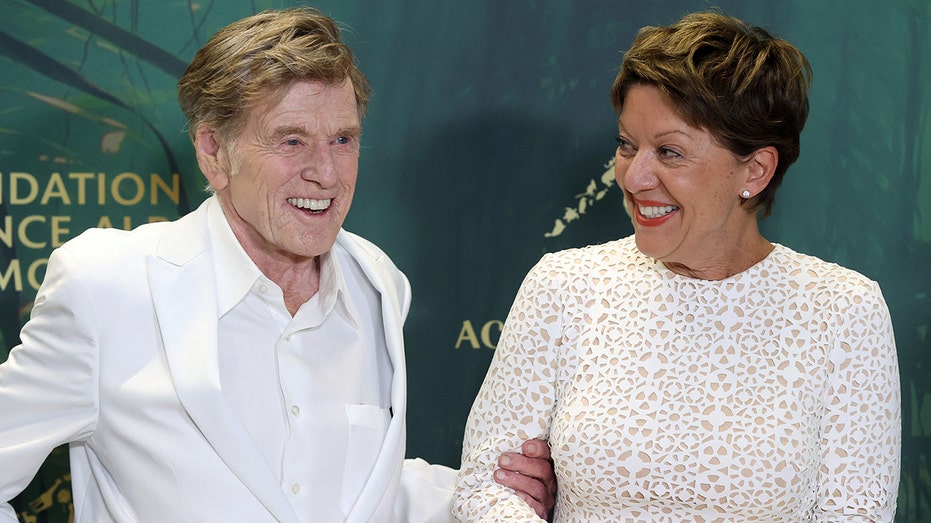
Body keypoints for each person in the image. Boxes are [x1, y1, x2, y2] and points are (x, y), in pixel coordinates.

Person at [0, 7, 556, 522]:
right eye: (292, 141)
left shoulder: (376, 285)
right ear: (213, 152)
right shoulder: (108, 287)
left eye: (343, 139)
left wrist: (486, 492)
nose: (327, 173)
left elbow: (341, 481)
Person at [455, 11, 900, 522]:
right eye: (627, 144)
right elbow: (487, 490)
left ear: (755, 170)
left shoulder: (845, 312)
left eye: (669, 152)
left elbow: (856, 514)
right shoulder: (563, 286)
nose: (634, 176)